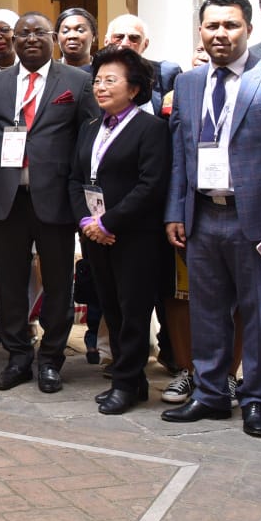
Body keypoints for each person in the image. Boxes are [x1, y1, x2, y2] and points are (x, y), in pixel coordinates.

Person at [163, 0, 261, 438]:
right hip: (203, 215)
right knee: (206, 311)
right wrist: (175, 211)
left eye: (230, 25)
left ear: (249, 28)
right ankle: (210, 395)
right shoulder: (189, 84)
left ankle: (258, 399)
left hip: (260, 220)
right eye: (212, 26)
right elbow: (180, 155)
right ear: (201, 32)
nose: (220, 34)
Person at [0, 12, 101, 393]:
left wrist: (88, 200)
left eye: (39, 33)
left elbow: (90, 143)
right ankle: (17, 357)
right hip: (7, 202)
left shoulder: (77, 82)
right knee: (11, 283)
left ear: (53, 38)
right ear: (12, 42)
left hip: (57, 202)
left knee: (58, 284)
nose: (31, 39)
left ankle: (50, 359)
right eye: (23, 34)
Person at [68, 47, 171, 415]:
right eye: (97, 80)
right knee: (111, 308)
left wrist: (108, 223)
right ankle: (135, 382)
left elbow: (151, 186)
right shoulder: (90, 128)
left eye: (111, 80)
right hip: (95, 235)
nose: (100, 87)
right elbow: (77, 179)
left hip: (134, 237)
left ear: (135, 88)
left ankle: (126, 383)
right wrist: (86, 222)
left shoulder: (151, 129)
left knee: (133, 312)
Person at [56, 7, 97, 72]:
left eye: (80, 30)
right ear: (57, 38)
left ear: (94, 36)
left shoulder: (102, 69)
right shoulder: (48, 71)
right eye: (65, 31)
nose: (72, 36)